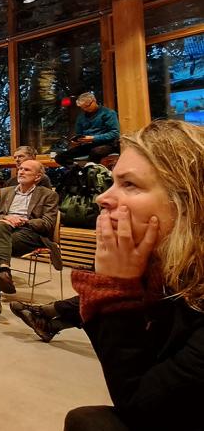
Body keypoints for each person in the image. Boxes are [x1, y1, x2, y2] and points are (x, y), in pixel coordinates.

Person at [54, 120, 204, 430]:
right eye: (113, 181)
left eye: (130, 184)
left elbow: (139, 405)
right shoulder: (163, 273)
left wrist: (115, 290)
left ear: (188, 200)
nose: (102, 198)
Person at [0, 160, 60, 315]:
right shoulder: (5, 192)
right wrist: (7, 218)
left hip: (29, 233)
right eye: (20, 168)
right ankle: (4, 272)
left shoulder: (48, 195)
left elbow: (47, 224)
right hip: (2, 228)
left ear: (38, 177)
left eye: (27, 170)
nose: (21, 172)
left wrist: (24, 221)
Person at [55, 91, 121, 167]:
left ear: (94, 101)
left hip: (108, 144)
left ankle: (91, 171)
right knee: (60, 157)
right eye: (82, 107)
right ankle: (77, 170)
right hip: (89, 145)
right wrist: (77, 141)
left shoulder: (108, 113)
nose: (85, 109)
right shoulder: (81, 117)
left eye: (87, 106)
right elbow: (79, 134)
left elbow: (114, 133)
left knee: (95, 153)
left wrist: (93, 138)